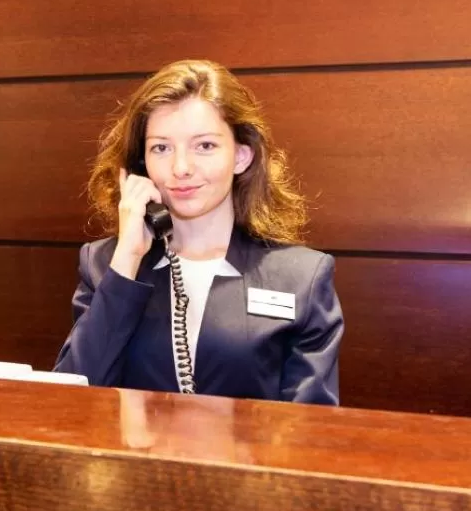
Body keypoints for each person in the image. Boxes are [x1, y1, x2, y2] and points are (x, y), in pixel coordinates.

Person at [54, 59, 343, 403]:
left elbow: (311, 423)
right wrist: (127, 259)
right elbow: (72, 399)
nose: (181, 168)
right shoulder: (104, 264)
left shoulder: (301, 277)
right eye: (161, 148)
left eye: (204, 146)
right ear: (139, 166)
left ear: (241, 156)